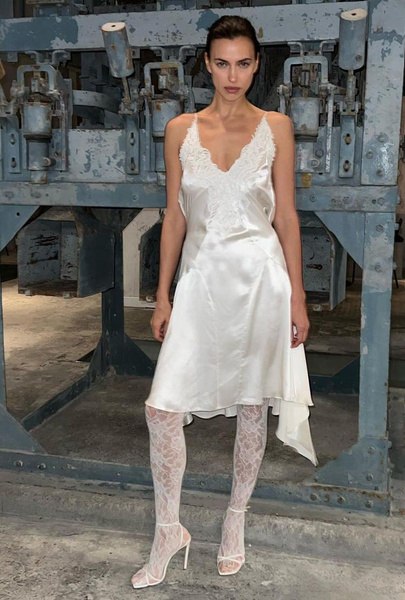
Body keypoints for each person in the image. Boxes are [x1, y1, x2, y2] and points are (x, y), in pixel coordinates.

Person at [131, 14, 317, 589]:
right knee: (162, 409)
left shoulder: (277, 127)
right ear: (206, 65)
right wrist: (162, 295)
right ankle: (169, 530)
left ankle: (235, 518)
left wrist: (299, 297)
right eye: (221, 63)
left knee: (253, 404)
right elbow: (174, 217)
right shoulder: (179, 130)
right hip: (201, 282)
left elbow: (287, 217)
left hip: (262, 282)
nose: (232, 75)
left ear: (256, 65)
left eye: (243, 63)